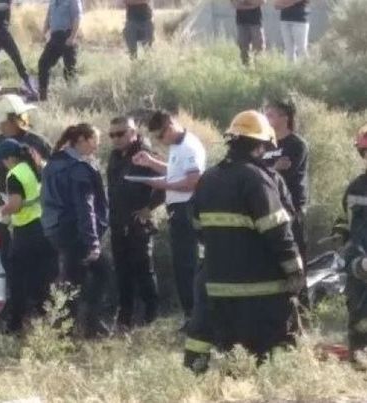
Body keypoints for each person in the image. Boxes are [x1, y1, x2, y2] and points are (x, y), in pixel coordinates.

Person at [184, 110, 304, 372]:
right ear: (260, 146)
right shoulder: (257, 179)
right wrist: (295, 270)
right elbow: (278, 230)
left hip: (219, 288)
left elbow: (196, 225)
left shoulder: (208, 179)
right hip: (263, 290)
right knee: (273, 348)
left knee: (233, 355)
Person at [0, 94, 52, 307]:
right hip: (15, 222)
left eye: (1, 122)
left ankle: (32, 311)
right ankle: (22, 308)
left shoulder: (39, 144)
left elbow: (53, 180)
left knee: (36, 269)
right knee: (11, 266)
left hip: (31, 219)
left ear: (12, 120)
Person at [132, 111, 206, 325]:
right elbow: (176, 172)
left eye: (159, 136)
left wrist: (162, 185)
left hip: (187, 209)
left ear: (171, 126)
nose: (158, 141)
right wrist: (151, 163)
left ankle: (195, 317)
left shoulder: (189, 146)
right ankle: (191, 315)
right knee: (182, 264)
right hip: (178, 210)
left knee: (187, 265)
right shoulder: (177, 147)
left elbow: (193, 181)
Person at [41, 123, 111, 338]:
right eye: (94, 142)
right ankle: (72, 332)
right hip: (75, 233)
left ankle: (81, 326)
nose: (96, 147)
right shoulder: (79, 169)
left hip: (54, 228)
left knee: (79, 277)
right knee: (76, 282)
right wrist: (93, 243)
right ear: (81, 139)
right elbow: (85, 208)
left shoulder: (53, 164)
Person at [106, 116, 164, 330]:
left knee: (143, 271)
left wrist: (150, 208)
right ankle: (124, 318)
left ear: (133, 132)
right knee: (122, 272)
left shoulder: (145, 153)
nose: (116, 139)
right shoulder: (115, 156)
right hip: (118, 223)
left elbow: (166, 182)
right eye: (112, 135)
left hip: (138, 224)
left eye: (120, 134)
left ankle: (151, 316)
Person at [0, 138, 57, 332]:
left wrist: (1, 213)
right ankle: (50, 322)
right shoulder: (39, 166)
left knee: (17, 278)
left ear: (8, 158)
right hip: (47, 228)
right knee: (44, 277)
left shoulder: (15, 174)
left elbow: (15, 204)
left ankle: (15, 325)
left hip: (27, 231)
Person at [265, 99, 309, 304]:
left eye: (271, 114)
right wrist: (274, 167)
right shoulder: (264, 144)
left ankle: (303, 308)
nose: (266, 118)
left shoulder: (296, 144)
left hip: (292, 210)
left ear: (285, 118)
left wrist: (268, 169)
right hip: (267, 209)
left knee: (297, 260)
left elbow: (287, 174)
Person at [340, 125, 367, 361]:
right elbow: (349, 225)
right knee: (359, 315)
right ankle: (358, 355)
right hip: (361, 265)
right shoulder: (356, 188)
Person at [0, 0, 33, 93]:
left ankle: (27, 82)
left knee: (16, 56)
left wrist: (3, 23)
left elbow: (8, 13)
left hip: (3, 32)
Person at [37, 0, 82, 101]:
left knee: (69, 70)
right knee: (43, 63)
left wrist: (72, 37)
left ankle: (75, 98)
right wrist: (43, 33)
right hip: (55, 37)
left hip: (67, 35)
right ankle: (43, 98)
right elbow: (48, 17)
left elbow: (77, 17)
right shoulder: (53, 1)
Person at [232, 0, 265, 66]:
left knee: (258, 47)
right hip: (241, 22)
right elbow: (234, 4)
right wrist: (252, 5)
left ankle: (260, 69)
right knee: (243, 48)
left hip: (255, 21)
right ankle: (246, 69)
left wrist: (244, 2)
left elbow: (262, 1)